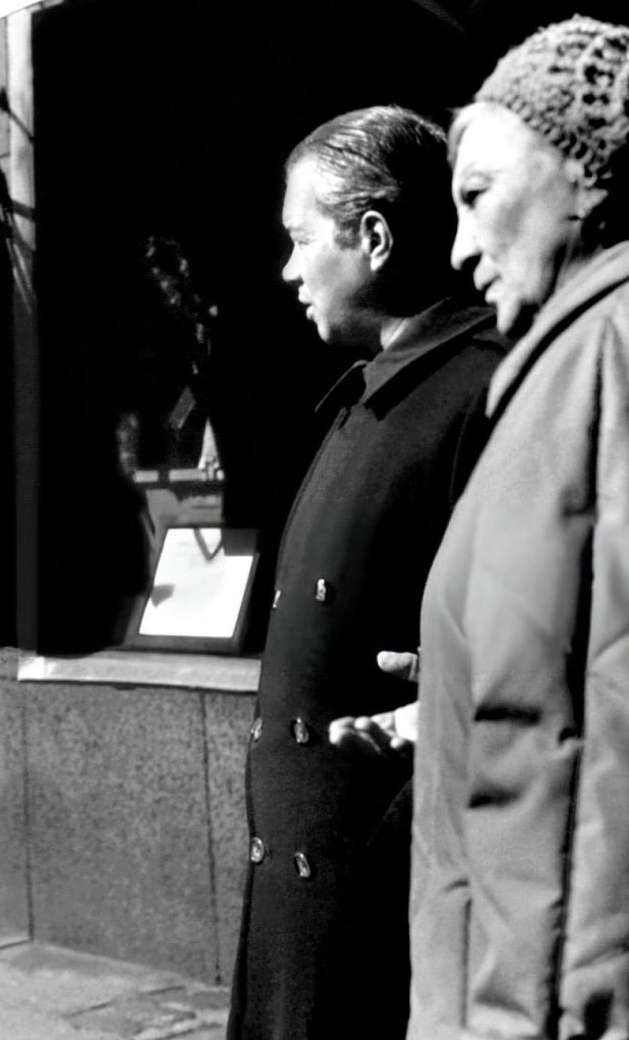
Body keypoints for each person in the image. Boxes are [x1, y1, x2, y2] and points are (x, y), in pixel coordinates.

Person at [228, 106, 504, 1040]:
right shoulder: (366, 395)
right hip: (311, 885)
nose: (288, 269)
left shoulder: (485, 392)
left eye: (302, 240)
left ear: (373, 237)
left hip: (383, 902)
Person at [400, 17, 629, 1040]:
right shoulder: (560, 367)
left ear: (587, 169)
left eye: (475, 196)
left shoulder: (609, 356)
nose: (455, 246)